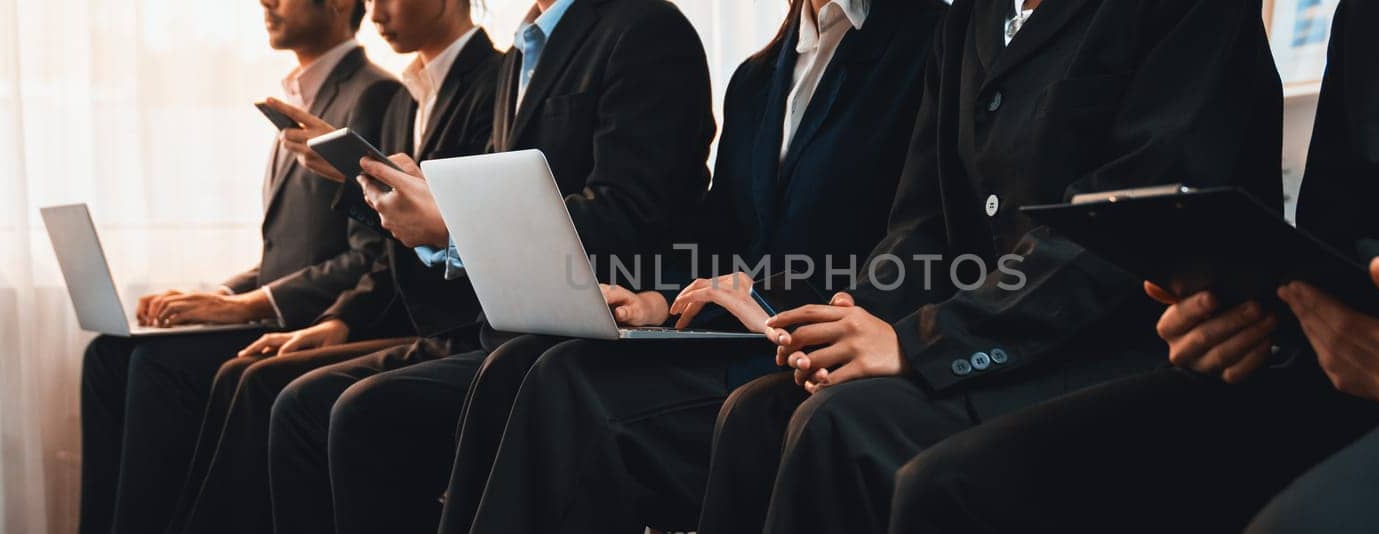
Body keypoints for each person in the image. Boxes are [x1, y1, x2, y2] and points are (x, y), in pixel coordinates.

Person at [889, 1, 1379, 532]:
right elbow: (1333, 243)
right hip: (1355, 364)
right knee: (952, 487)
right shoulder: (1373, 12)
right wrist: (1254, 317)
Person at [698, 0, 1285, 532]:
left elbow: (1124, 230)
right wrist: (856, 314)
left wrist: (920, 344)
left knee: (841, 427)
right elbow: (923, 225)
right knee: (758, 414)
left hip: (1126, 353)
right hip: (1002, 349)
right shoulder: (970, 21)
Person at [438, 0, 945, 532]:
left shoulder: (929, 42)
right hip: (730, 338)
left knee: (564, 387)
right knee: (515, 366)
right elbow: (721, 237)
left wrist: (769, 300)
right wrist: (656, 299)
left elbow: (919, 243)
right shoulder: (755, 78)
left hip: (817, 342)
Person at [262, 0, 717, 532]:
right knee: (302, 406)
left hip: (593, 330)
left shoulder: (644, 27)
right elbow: (483, 201)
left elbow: (633, 213)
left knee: (361, 412)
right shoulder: (519, 55)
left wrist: (452, 220)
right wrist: (388, 189)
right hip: (505, 326)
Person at [161, 1, 500, 533]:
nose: (377, 8)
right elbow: (392, 242)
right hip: (415, 315)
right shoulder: (406, 100)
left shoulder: (492, 80)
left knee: (276, 390)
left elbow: (462, 232)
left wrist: (344, 314)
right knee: (243, 378)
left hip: (457, 323)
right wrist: (342, 315)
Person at [76, 0, 398, 532]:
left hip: (316, 318)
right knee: (109, 354)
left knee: (156, 367)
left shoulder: (373, 93)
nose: (265, 3)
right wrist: (220, 295)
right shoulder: (292, 99)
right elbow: (289, 251)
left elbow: (371, 253)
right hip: (277, 308)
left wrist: (252, 304)